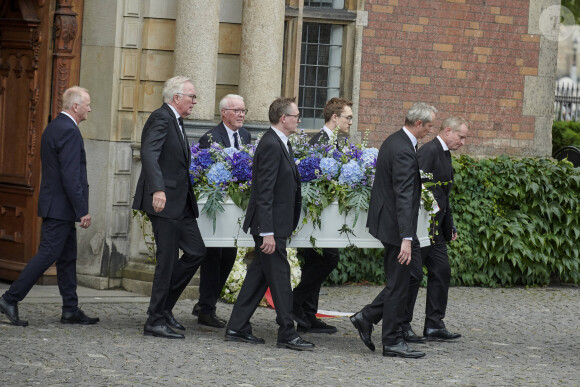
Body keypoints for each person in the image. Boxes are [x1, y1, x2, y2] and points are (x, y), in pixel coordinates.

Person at [0, 86, 99, 326]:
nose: (89, 108)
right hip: (61, 208)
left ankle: (70, 309)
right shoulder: (69, 131)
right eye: (87, 104)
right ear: (76, 106)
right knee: (48, 255)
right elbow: (70, 175)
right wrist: (82, 209)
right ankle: (9, 299)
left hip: (57, 206)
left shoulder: (56, 126)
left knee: (66, 258)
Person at [225, 97, 315, 351]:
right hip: (270, 227)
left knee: (258, 277)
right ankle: (287, 331)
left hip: (275, 225)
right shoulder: (271, 145)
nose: (299, 119)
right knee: (280, 278)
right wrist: (267, 232)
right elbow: (263, 191)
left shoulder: (279, 142)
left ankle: (236, 326)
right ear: (283, 118)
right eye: (296, 115)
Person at [350, 103, 437, 359]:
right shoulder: (401, 148)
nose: (431, 131)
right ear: (418, 123)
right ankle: (391, 341)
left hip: (394, 224)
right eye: (430, 126)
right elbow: (403, 195)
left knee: (408, 278)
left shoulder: (399, 141)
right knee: (399, 283)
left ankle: (367, 316)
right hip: (395, 227)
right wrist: (406, 238)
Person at [132, 76, 206, 339]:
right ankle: (154, 320)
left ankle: (164, 309)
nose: (195, 101)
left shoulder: (177, 121)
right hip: (163, 201)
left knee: (196, 251)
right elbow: (149, 153)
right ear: (177, 97)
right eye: (192, 96)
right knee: (166, 262)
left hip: (181, 203)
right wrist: (158, 189)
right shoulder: (161, 117)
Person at [402, 116, 469, 342]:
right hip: (423, 226)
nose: (463, 142)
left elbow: (444, 195)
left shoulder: (445, 154)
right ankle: (403, 324)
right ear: (448, 131)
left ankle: (434, 324)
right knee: (414, 276)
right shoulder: (429, 151)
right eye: (461, 137)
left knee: (441, 272)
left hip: (437, 228)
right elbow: (418, 188)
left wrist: (449, 225)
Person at [292, 97, 353, 334]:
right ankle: (295, 303)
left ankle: (308, 315)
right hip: (314, 218)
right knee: (326, 259)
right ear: (334, 117)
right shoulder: (317, 142)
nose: (350, 121)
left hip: (326, 217)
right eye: (347, 117)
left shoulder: (336, 144)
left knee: (316, 263)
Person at [192, 94, 252, 328]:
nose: (241, 115)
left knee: (228, 257)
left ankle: (206, 302)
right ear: (224, 113)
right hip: (214, 209)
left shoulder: (245, 136)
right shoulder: (210, 138)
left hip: (234, 209)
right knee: (212, 258)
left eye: (243, 111)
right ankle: (206, 309)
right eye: (236, 110)